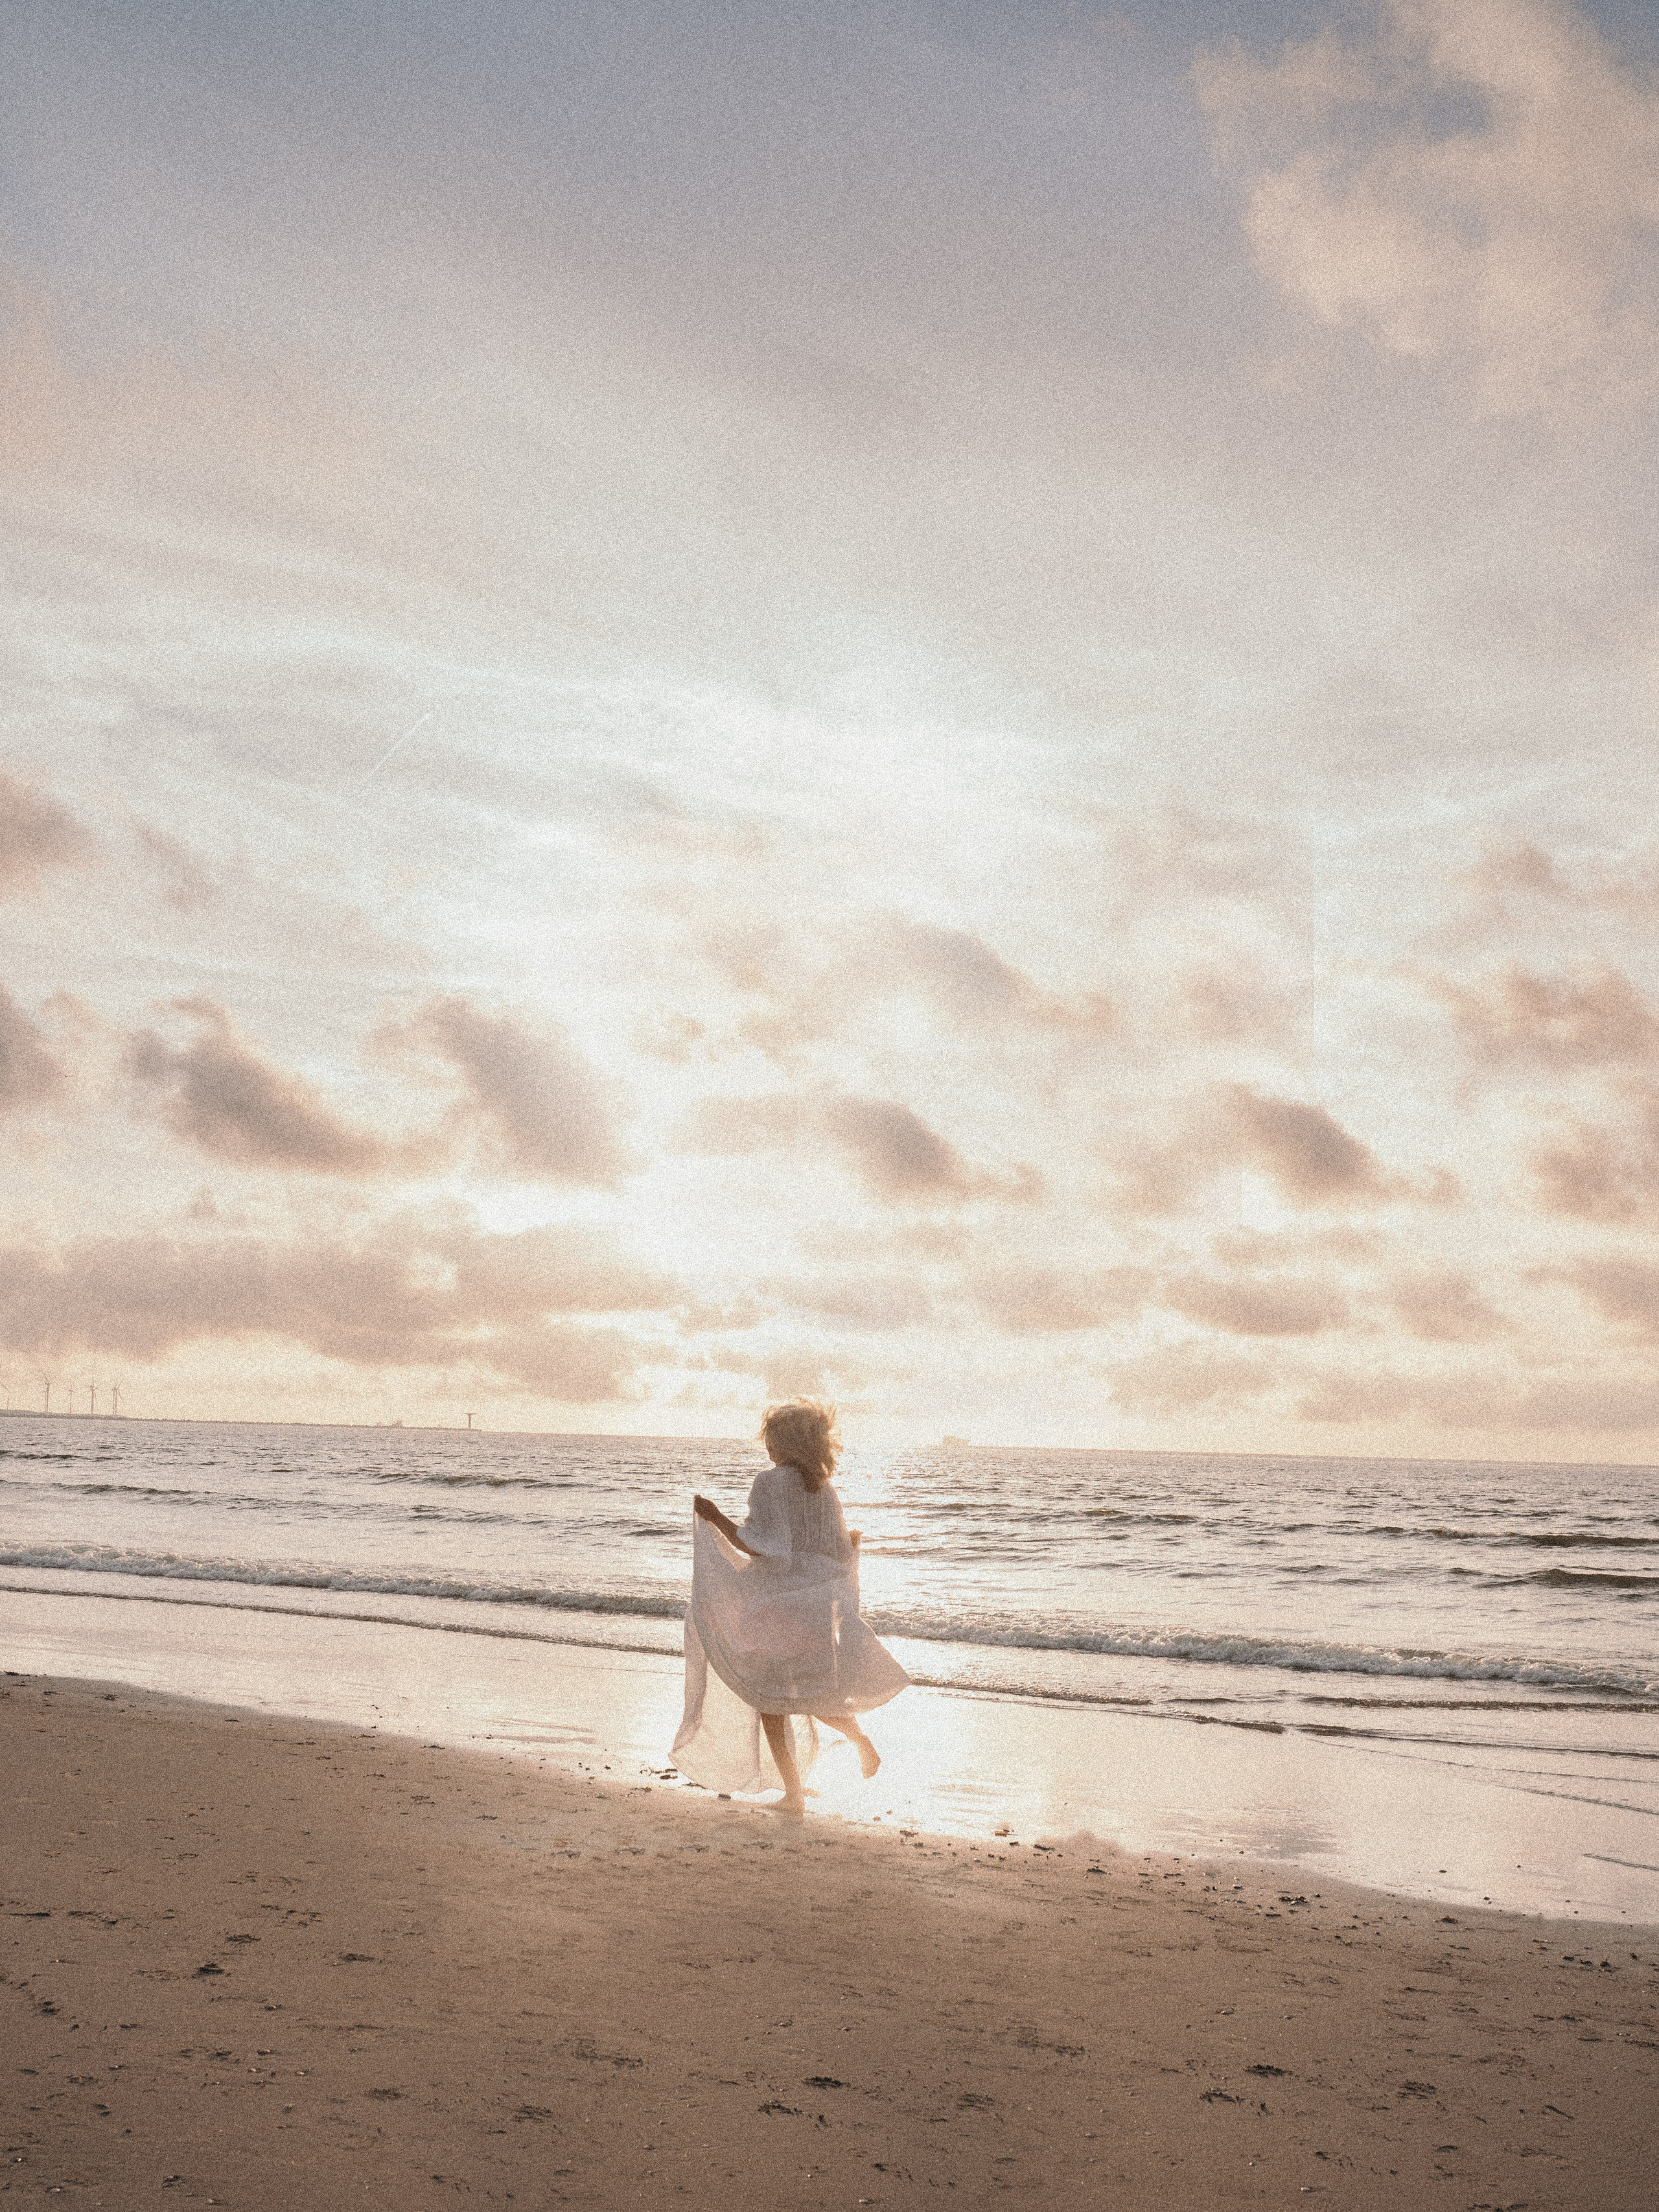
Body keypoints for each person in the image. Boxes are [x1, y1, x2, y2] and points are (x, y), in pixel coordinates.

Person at [672, 1398, 909, 1814]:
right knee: (810, 1691)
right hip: (819, 1603)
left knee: (770, 1698)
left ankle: (794, 1794)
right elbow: (837, 1550)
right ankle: (859, 1741)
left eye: (771, 1439)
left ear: (785, 1442)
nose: (767, 1447)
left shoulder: (771, 1481)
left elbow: (760, 1545)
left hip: (780, 1605)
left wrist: (714, 1518)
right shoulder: (824, 1488)